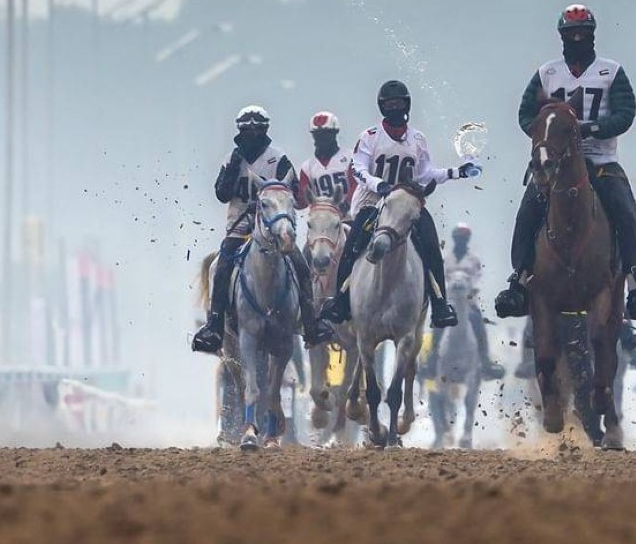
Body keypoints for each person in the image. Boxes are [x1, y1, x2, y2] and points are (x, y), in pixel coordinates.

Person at [494, 4, 636, 322]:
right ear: (562, 37)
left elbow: (626, 113)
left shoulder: (611, 71)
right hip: (555, 164)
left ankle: (634, 285)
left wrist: (590, 129)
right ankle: (519, 279)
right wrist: (550, 135)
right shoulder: (547, 73)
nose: (578, 39)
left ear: (593, 36)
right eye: (572, 35)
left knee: (626, 211)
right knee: (527, 211)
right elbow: (526, 114)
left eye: (584, 34)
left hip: (600, 160)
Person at [320, 80, 478, 334]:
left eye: (399, 103)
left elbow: (426, 175)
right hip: (373, 203)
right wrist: (378, 184)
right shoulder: (369, 137)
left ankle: (440, 304)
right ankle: (340, 301)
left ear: (407, 105)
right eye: (390, 104)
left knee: (430, 242)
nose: (395, 108)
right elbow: (357, 169)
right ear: (382, 108)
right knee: (354, 244)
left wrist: (458, 171)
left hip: (405, 204)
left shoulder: (417, 139)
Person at [192, 105, 323, 353]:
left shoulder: (278, 158)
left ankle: (310, 324)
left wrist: (274, 199)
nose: (251, 136)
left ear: (265, 130)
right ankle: (214, 325)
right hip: (240, 227)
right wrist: (234, 165)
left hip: (273, 229)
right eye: (246, 131)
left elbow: (294, 193)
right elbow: (221, 194)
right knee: (221, 266)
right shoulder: (231, 158)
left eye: (257, 130)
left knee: (301, 267)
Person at [429, 223, 506, 380]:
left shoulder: (474, 260)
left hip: (468, 302)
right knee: (438, 325)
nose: (460, 241)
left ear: (467, 240)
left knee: (478, 322)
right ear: (454, 239)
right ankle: (432, 360)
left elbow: (479, 279)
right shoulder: (445, 259)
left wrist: (472, 289)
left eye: (463, 239)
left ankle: (485, 362)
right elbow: (440, 279)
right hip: (449, 301)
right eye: (458, 238)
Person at [294, 111, 353, 213]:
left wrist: (347, 203)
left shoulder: (350, 157)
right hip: (322, 220)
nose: (321, 139)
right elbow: (302, 202)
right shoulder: (307, 167)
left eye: (325, 134)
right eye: (317, 135)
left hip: (350, 215)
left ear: (334, 133)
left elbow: (357, 186)